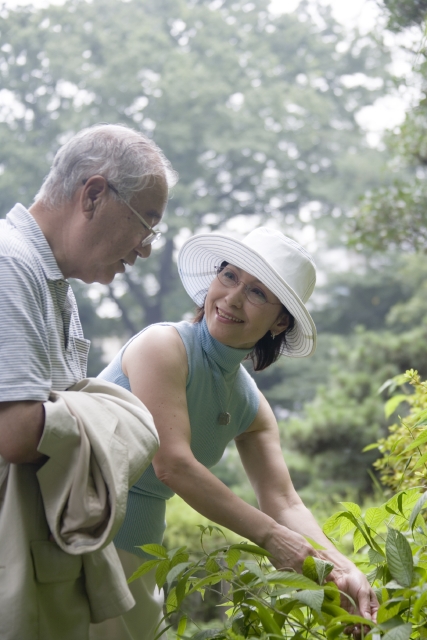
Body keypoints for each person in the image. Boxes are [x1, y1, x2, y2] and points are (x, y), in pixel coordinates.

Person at [94, 227, 379, 640]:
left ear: (281, 320)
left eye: (258, 292)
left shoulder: (251, 404)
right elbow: (172, 464)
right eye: (229, 276)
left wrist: (342, 568)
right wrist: (272, 539)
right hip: (77, 532)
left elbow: (283, 500)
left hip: (137, 556)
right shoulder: (163, 345)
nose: (231, 298)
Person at [0, 123, 177, 640]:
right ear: (95, 194)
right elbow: (15, 431)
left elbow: (57, 415)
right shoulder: (10, 264)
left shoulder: (50, 279)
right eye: (146, 223)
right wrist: (125, 417)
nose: (145, 249)